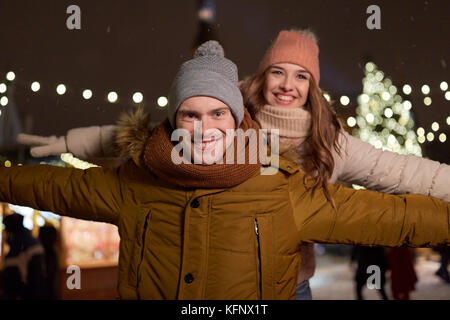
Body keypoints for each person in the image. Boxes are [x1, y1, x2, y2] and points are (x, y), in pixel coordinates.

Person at [17, 29, 450, 300]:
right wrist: (72, 139)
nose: (288, 85)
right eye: (278, 71)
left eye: (302, 75)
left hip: (283, 278)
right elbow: (140, 138)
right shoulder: (215, 109)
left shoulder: (325, 145)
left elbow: (402, 181)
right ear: (260, 78)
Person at [1, 213, 45, 299]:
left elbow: (13, 274)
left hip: (25, 292)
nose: (5, 230)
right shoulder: (28, 241)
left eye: (6, 227)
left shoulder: (21, 245)